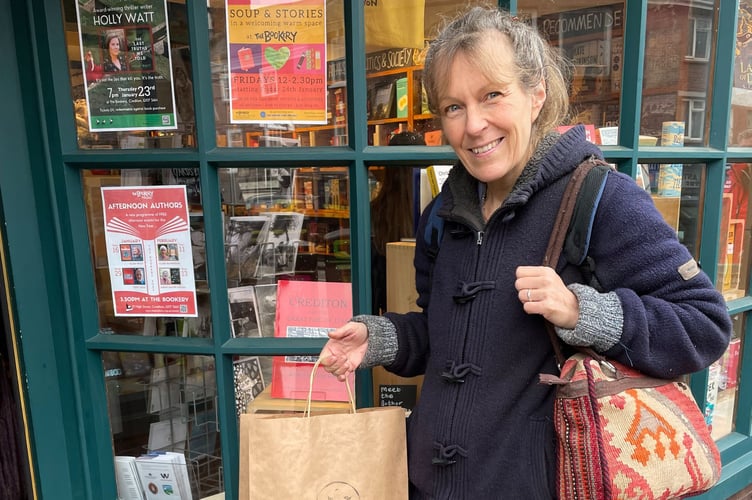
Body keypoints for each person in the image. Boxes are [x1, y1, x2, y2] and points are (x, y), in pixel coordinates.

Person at [319, 7, 732, 498]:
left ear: (536, 94)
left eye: (492, 95)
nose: (473, 125)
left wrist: (583, 311)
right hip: (428, 482)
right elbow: (445, 337)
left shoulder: (601, 199)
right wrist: (380, 339)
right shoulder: (442, 214)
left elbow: (705, 325)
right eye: (454, 107)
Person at [370, 131, 424, 314]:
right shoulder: (433, 208)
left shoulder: (375, 211)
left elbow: (373, 272)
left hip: (387, 303)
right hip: (426, 301)